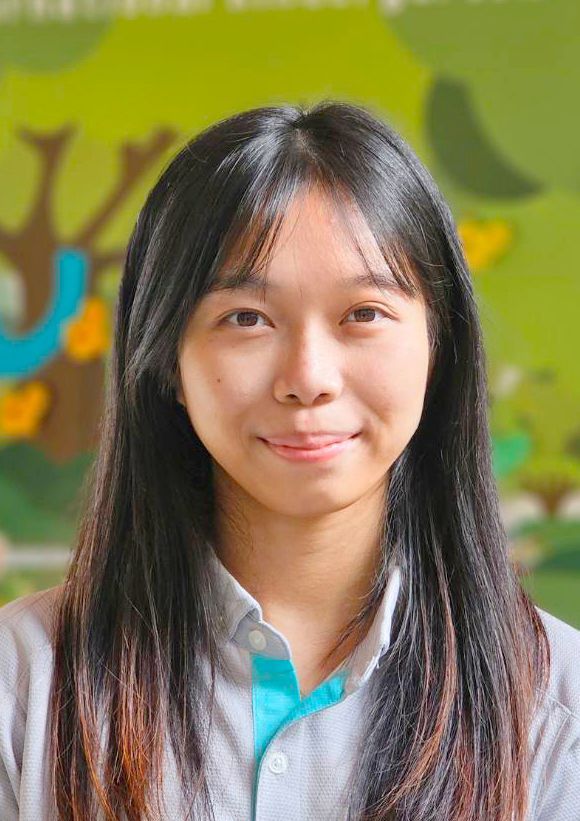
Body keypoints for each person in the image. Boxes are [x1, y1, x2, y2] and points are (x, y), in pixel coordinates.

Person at [0, 100, 579, 821]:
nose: (309, 376)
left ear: (440, 348)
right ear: (166, 362)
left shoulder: (557, 707)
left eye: (363, 313)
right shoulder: (22, 683)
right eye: (247, 318)